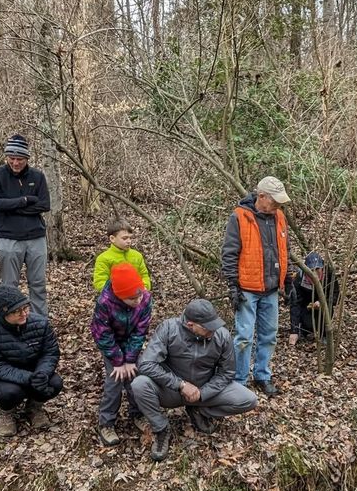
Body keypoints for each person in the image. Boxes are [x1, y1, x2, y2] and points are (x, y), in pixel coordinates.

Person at [131, 299, 258, 462]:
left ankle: (198, 410)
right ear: (191, 324)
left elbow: (227, 372)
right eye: (207, 327)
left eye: (214, 324)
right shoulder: (169, 328)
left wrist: (202, 393)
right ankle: (161, 429)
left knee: (248, 399)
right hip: (172, 390)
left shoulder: (221, 335)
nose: (213, 330)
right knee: (140, 384)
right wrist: (180, 385)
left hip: (205, 389)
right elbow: (146, 364)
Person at [222, 176, 291, 396]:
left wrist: (287, 280)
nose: (278, 205)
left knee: (269, 335)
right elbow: (229, 253)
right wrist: (233, 286)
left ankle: (262, 375)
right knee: (243, 336)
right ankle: (239, 380)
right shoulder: (240, 217)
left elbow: (284, 249)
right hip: (247, 289)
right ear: (261, 197)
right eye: (274, 201)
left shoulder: (279, 216)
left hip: (270, 288)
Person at [0, 285, 63, 437]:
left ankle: (34, 407)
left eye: (25, 308)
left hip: (32, 370)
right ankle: (7, 412)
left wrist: (42, 374)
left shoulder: (41, 323)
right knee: (10, 392)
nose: (24, 314)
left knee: (54, 383)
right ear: (4, 313)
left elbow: (50, 353)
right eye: (16, 311)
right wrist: (28, 378)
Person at [91, 262, 154, 446]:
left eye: (140, 294)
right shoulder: (104, 302)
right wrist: (118, 361)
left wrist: (131, 359)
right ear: (119, 296)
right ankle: (106, 423)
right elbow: (102, 334)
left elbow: (140, 331)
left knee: (136, 377)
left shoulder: (145, 298)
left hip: (131, 341)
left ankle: (138, 414)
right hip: (111, 343)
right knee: (115, 381)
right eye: (133, 298)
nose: (138, 300)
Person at [0, 134, 51, 316]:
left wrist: (12, 206)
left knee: (38, 283)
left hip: (35, 237)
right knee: (9, 285)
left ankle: (40, 321)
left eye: (20, 159)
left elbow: (44, 205)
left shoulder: (37, 176)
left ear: (27, 158)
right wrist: (25, 200)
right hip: (8, 238)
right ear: (6, 157)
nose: (15, 163)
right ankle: (9, 320)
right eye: (12, 158)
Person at [286, 253, 339, 345]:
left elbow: (335, 295)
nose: (315, 273)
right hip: (306, 307)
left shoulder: (330, 275)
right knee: (307, 324)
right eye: (311, 270)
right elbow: (295, 304)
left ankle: (325, 334)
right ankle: (304, 330)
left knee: (328, 310)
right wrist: (294, 330)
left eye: (317, 269)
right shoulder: (299, 279)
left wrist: (322, 302)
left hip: (324, 308)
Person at [93, 218, 152, 292]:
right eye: (124, 238)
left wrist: (144, 287)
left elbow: (144, 275)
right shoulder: (103, 258)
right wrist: (118, 293)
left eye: (130, 238)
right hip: (114, 300)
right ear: (112, 238)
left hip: (138, 297)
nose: (129, 241)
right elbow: (100, 282)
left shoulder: (137, 256)